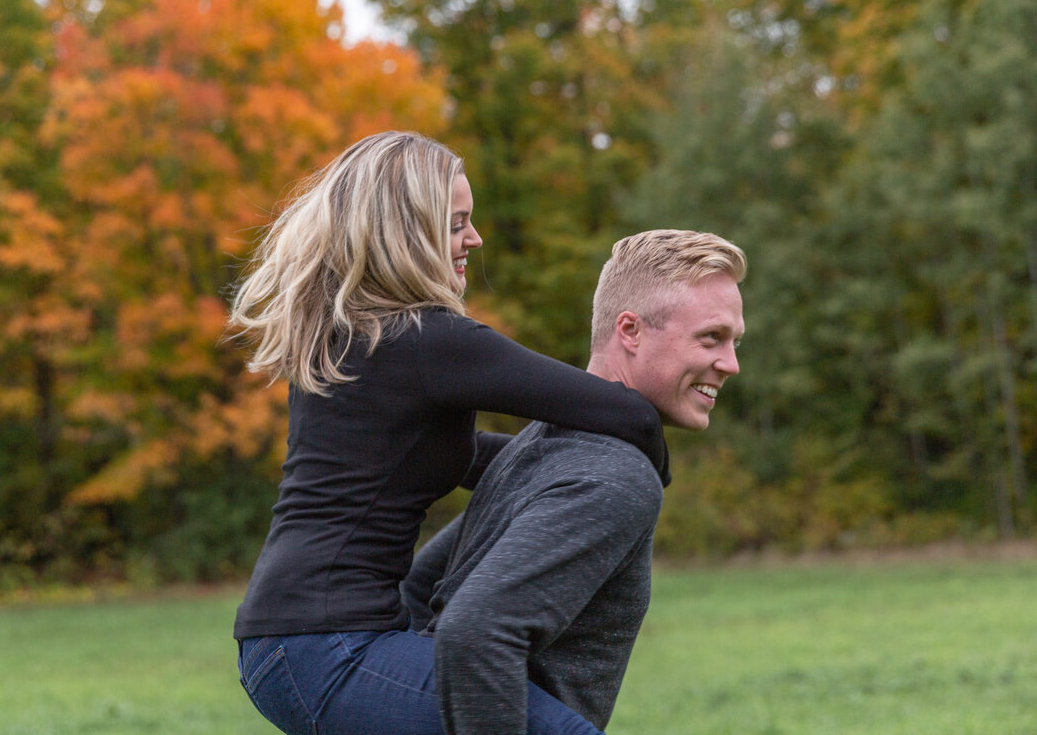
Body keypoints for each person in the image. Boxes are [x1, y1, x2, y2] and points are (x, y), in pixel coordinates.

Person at [229, 131, 668, 735]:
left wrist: (570, 476)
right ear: (408, 235)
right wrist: (641, 467)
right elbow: (623, 411)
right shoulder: (428, 342)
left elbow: (482, 459)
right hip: (328, 646)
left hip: (294, 642)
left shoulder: (358, 339)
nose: (475, 239)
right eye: (457, 223)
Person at [403, 229, 747, 735]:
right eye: (711, 338)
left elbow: (419, 590)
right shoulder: (615, 472)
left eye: (735, 342)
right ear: (630, 331)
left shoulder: (546, 444)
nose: (731, 364)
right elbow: (474, 632)